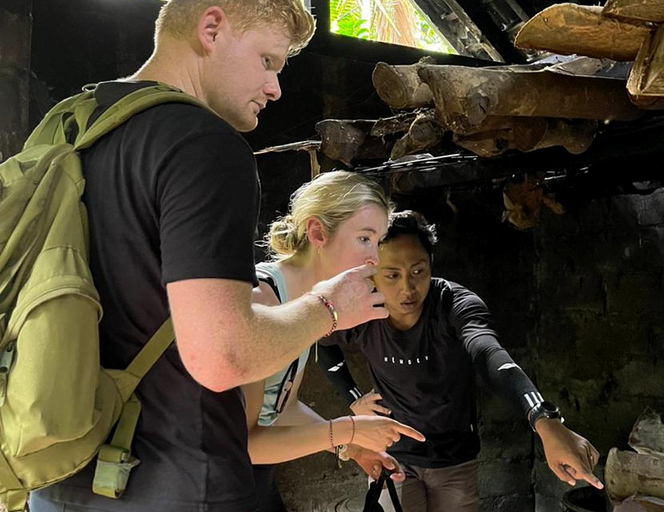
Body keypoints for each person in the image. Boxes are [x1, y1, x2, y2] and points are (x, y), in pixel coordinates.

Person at [30, 2, 389, 512]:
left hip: (58, 475)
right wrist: (328, 308)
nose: (276, 89)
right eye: (268, 61)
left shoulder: (73, 128)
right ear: (212, 28)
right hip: (177, 483)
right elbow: (223, 357)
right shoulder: (203, 144)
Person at [319, 210, 603, 512]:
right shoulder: (362, 310)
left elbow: (488, 354)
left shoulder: (453, 304)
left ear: (431, 265)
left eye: (418, 271)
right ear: (372, 271)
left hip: (454, 457)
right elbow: (322, 345)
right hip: (392, 454)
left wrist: (544, 420)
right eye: (392, 275)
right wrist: (352, 398)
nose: (407, 288)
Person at [243, 171, 425, 512]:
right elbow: (245, 442)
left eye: (378, 241)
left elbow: (281, 409)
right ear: (317, 232)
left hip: (251, 482)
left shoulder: (306, 301)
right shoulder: (263, 300)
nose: (375, 257)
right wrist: (347, 430)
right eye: (364, 239)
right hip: (209, 487)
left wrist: (350, 447)